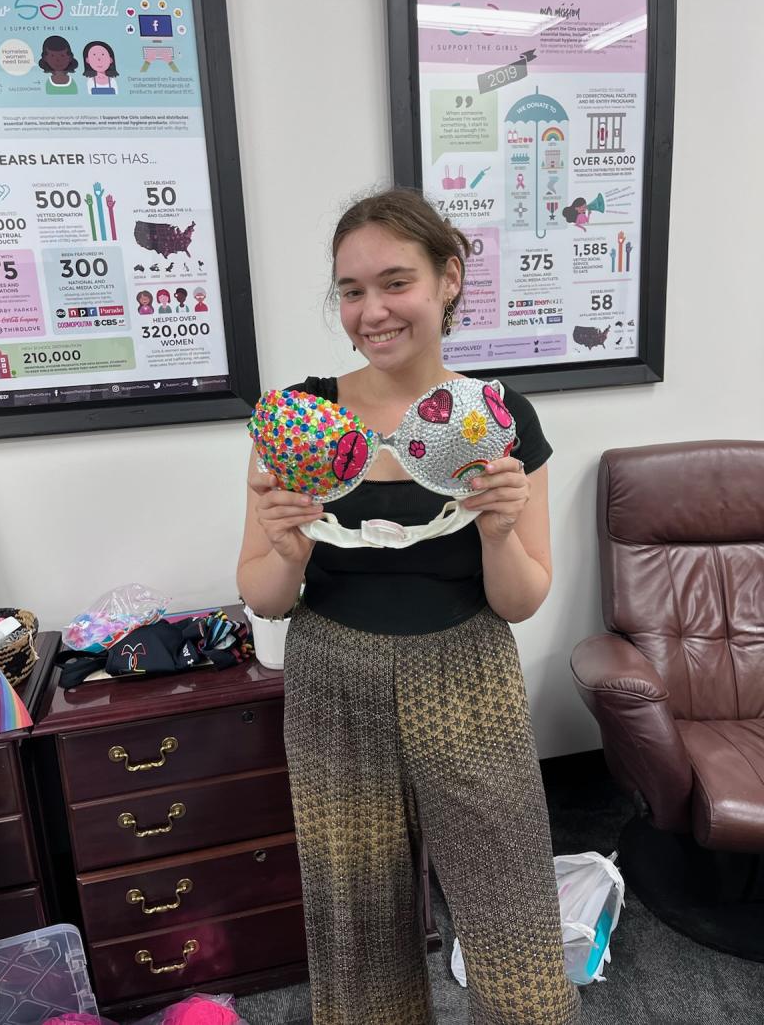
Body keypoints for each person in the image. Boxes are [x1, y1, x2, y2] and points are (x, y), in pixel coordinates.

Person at [236, 187, 581, 1025]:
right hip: (331, 672)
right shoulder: (303, 416)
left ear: (449, 278)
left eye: (396, 282)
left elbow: (523, 597)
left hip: (468, 670)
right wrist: (288, 550)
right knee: (357, 922)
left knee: (512, 914)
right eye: (352, 291)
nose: (372, 311)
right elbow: (262, 594)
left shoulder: (498, 419)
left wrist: (499, 531)